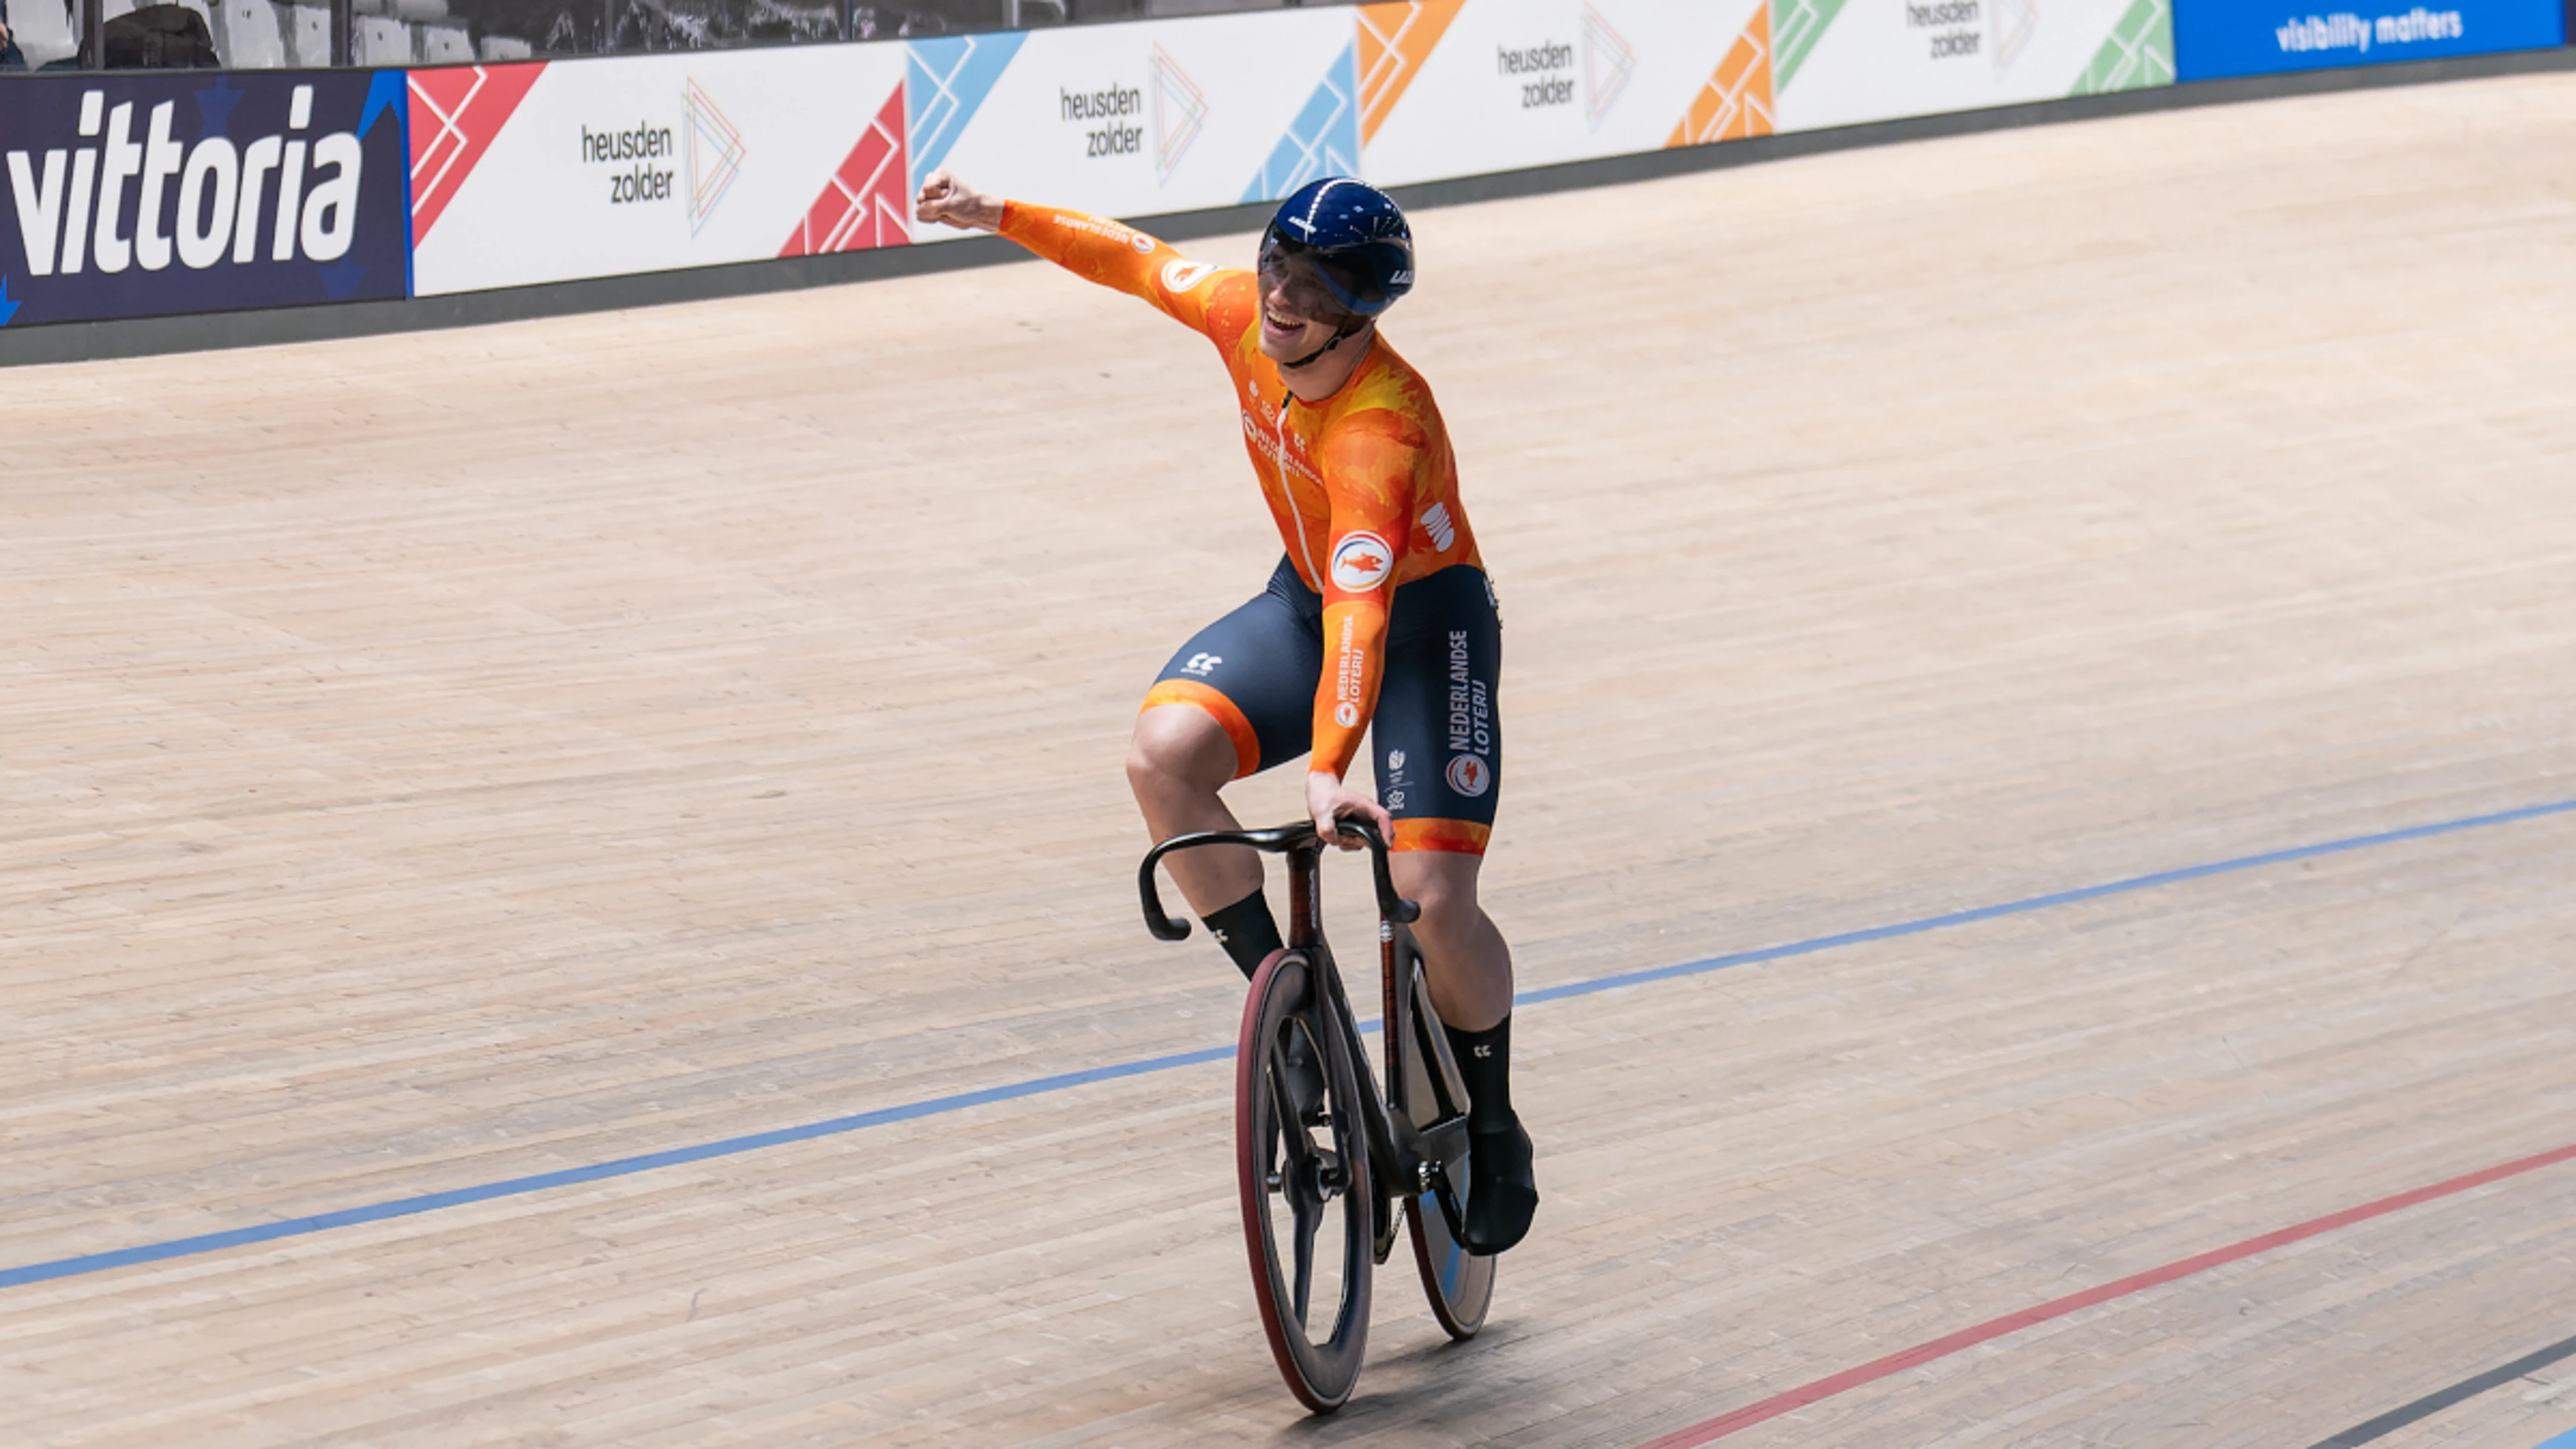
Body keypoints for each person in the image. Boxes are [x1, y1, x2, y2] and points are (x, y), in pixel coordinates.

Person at [914, 171, 1538, 1254]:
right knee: (1162, 760)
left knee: (1429, 895)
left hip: (1420, 624)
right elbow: (1134, 260)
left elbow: (1363, 618)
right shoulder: (1243, 316)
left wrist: (1328, 768)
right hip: (1311, 600)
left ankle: (1494, 1117)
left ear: (1362, 313)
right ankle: (1288, 1009)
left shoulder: (1378, 431)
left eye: (1314, 286)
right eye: (1276, 268)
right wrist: (1001, 213)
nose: (1284, 299)